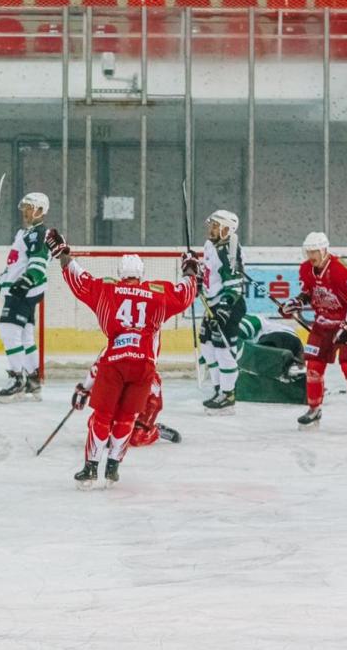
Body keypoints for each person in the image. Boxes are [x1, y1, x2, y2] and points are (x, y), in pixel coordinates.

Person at [48, 227, 198, 488]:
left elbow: (78, 278)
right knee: (126, 417)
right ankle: (113, 468)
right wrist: (190, 270)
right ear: (141, 275)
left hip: (115, 361)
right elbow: (186, 294)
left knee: (102, 417)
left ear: (119, 274)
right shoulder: (158, 293)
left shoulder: (106, 290)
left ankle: (91, 469)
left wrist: (63, 254)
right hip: (144, 365)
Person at [279, 232, 347, 431]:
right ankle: (314, 409)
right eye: (308, 251)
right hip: (323, 323)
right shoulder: (305, 269)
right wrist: (296, 303)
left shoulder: (342, 269)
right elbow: (310, 293)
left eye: (315, 251)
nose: (311, 255)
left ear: (324, 250)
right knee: (313, 368)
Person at [0, 192, 52, 403]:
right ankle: (33, 379)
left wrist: (28, 280)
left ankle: (18, 379)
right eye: (24, 207)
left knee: (8, 331)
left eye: (29, 207)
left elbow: (39, 261)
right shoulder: (25, 233)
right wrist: (0, 280)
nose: (25, 211)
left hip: (23, 291)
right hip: (18, 289)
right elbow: (16, 265)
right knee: (25, 335)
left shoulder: (39, 233)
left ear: (40, 210)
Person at [199, 209, 246, 415]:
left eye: (216, 226)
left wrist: (225, 308)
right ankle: (219, 390)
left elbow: (234, 285)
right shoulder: (210, 245)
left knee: (223, 350)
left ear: (227, 229)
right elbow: (209, 272)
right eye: (212, 224)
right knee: (207, 347)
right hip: (212, 305)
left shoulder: (230, 248)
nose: (211, 228)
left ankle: (229, 396)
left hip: (228, 306)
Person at [73, 359, 182, 448]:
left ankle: (156, 431)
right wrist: (84, 390)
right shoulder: (113, 353)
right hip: (123, 396)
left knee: (135, 439)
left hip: (145, 403)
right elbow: (97, 370)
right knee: (95, 424)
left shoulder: (146, 373)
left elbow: (154, 402)